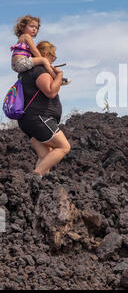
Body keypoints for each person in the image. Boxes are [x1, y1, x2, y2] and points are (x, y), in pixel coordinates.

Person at [17, 41, 71, 176]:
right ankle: (33, 177)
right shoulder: (40, 70)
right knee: (64, 147)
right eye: (53, 57)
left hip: (28, 120)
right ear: (47, 54)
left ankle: (37, 188)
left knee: (45, 154)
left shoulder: (28, 72)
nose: (54, 60)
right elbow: (50, 92)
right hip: (39, 118)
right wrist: (59, 75)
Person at [11, 14, 71, 85]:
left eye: (36, 28)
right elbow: (34, 50)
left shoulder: (22, 38)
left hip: (17, 65)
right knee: (43, 60)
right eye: (31, 26)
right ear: (23, 27)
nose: (34, 29)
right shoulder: (26, 36)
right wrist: (42, 60)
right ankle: (57, 79)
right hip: (20, 62)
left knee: (38, 62)